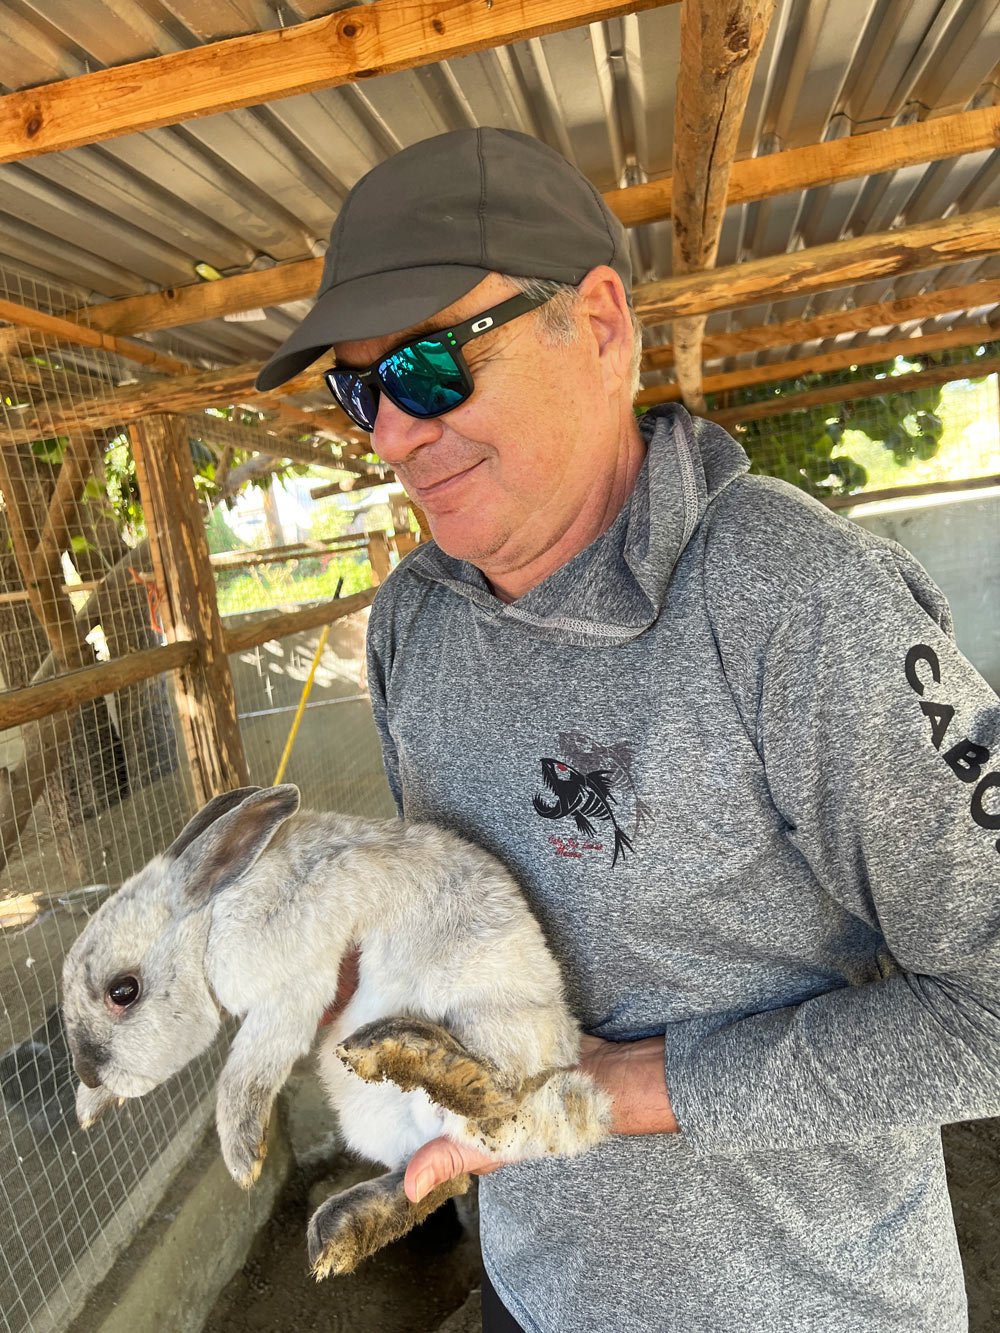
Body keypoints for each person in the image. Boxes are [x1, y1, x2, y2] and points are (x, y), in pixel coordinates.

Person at [256, 127, 1000, 1332]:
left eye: (433, 369)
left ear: (599, 325)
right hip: (536, 1290)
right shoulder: (412, 623)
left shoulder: (792, 597)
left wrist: (621, 1089)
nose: (392, 434)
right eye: (361, 390)